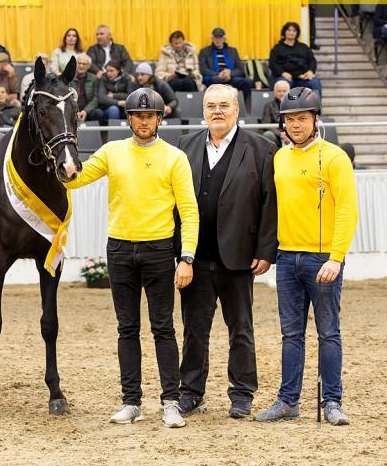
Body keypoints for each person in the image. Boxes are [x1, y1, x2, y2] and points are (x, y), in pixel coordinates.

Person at [62, 88, 199, 429]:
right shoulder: (111, 152)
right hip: (120, 249)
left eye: (149, 115)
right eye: (137, 116)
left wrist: (187, 257)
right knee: (127, 328)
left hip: (158, 249)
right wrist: (60, 164)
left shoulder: (174, 157)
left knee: (163, 328)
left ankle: (170, 402)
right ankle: (131, 401)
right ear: (130, 119)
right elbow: (75, 180)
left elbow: (189, 211)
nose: (143, 121)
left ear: (158, 119)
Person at [255, 87, 358, 426]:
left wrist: (336, 257)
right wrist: (268, 253)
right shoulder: (280, 157)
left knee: (328, 332)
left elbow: (347, 209)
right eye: (290, 119)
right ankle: (288, 400)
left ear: (316, 119)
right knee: (291, 335)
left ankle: (332, 401)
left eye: (302, 118)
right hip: (287, 259)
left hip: (322, 260)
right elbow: (270, 209)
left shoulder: (334, 157)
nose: (295, 125)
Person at [174, 84, 278, 420]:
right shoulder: (185, 146)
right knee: (194, 329)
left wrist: (265, 250)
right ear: (202, 110)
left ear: (237, 110)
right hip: (195, 258)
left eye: (223, 105)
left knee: (241, 329)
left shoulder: (262, 148)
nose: (216, 111)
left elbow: (269, 204)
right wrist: (178, 253)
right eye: (210, 106)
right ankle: (190, 392)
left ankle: (242, 393)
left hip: (239, 256)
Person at [199, 28, 253, 102]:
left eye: (220, 37)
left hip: (231, 78)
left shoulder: (233, 51)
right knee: (214, 80)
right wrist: (218, 74)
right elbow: (203, 69)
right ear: (212, 38)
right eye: (215, 37)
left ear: (224, 39)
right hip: (215, 78)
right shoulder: (205, 51)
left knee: (247, 82)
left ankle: (246, 109)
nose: (217, 40)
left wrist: (230, 73)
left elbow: (240, 69)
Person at [269, 22, 321, 96]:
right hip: (286, 77)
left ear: (297, 33)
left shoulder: (303, 47)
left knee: (315, 82)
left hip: (303, 78)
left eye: (294, 31)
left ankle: (316, 107)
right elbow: (272, 63)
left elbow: (312, 60)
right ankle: (283, 106)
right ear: (284, 32)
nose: (291, 32)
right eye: (289, 30)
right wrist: (282, 73)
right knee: (282, 85)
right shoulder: (277, 48)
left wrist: (310, 71)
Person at [71, 53, 104, 123]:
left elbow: (96, 98)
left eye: (84, 64)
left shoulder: (94, 79)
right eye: (79, 63)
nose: (81, 66)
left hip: (88, 111)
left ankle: (96, 133)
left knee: (99, 113)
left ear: (89, 66)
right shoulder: (69, 78)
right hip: (71, 110)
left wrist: (86, 111)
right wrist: (75, 111)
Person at [262, 80, 291, 146]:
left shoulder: (295, 105)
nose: (282, 93)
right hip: (276, 137)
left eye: (284, 91)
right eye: (279, 91)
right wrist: (281, 134)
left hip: (293, 134)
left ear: (289, 92)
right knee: (268, 134)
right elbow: (266, 124)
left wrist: (289, 134)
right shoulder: (268, 105)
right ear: (275, 92)